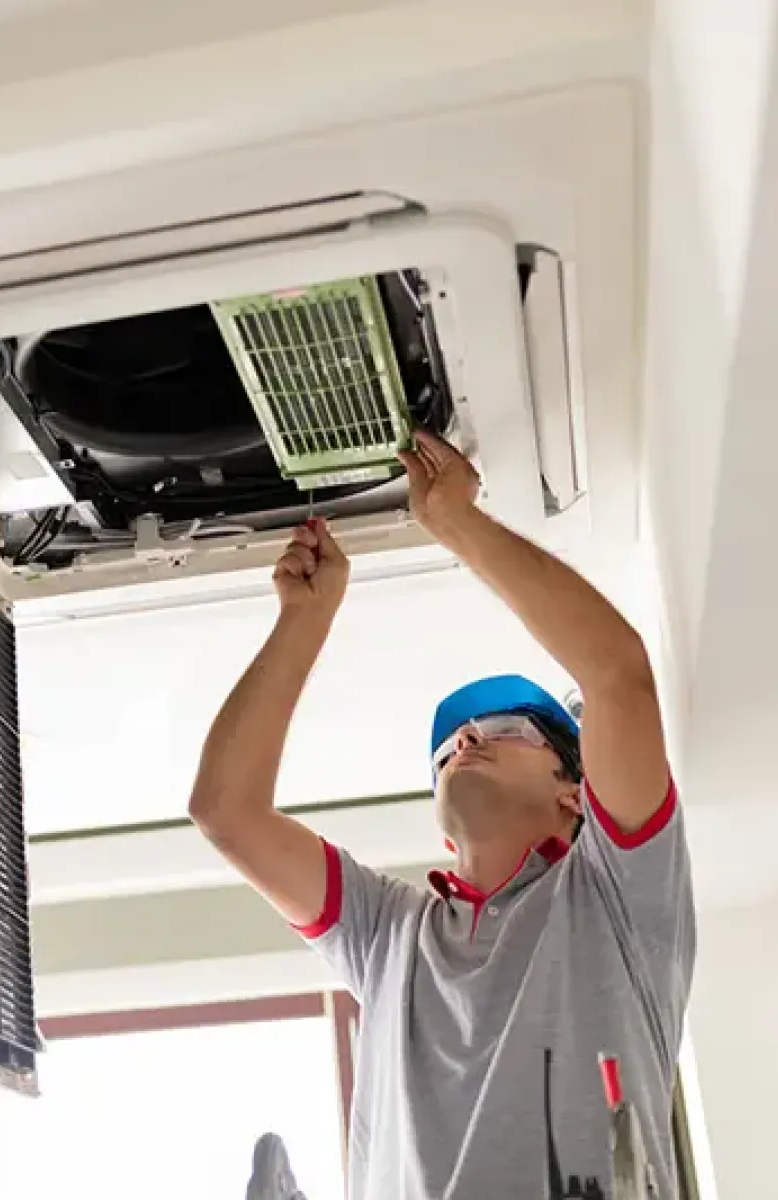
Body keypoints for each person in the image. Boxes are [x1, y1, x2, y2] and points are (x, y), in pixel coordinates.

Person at [191, 432, 695, 1200]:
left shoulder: (618, 898)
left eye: (502, 730)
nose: (463, 739)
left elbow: (618, 675)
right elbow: (226, 810)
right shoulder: (389, 934)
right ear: (442, 827)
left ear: (575, 793)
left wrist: (456, 521)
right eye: (448, 750)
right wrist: (305, 618)